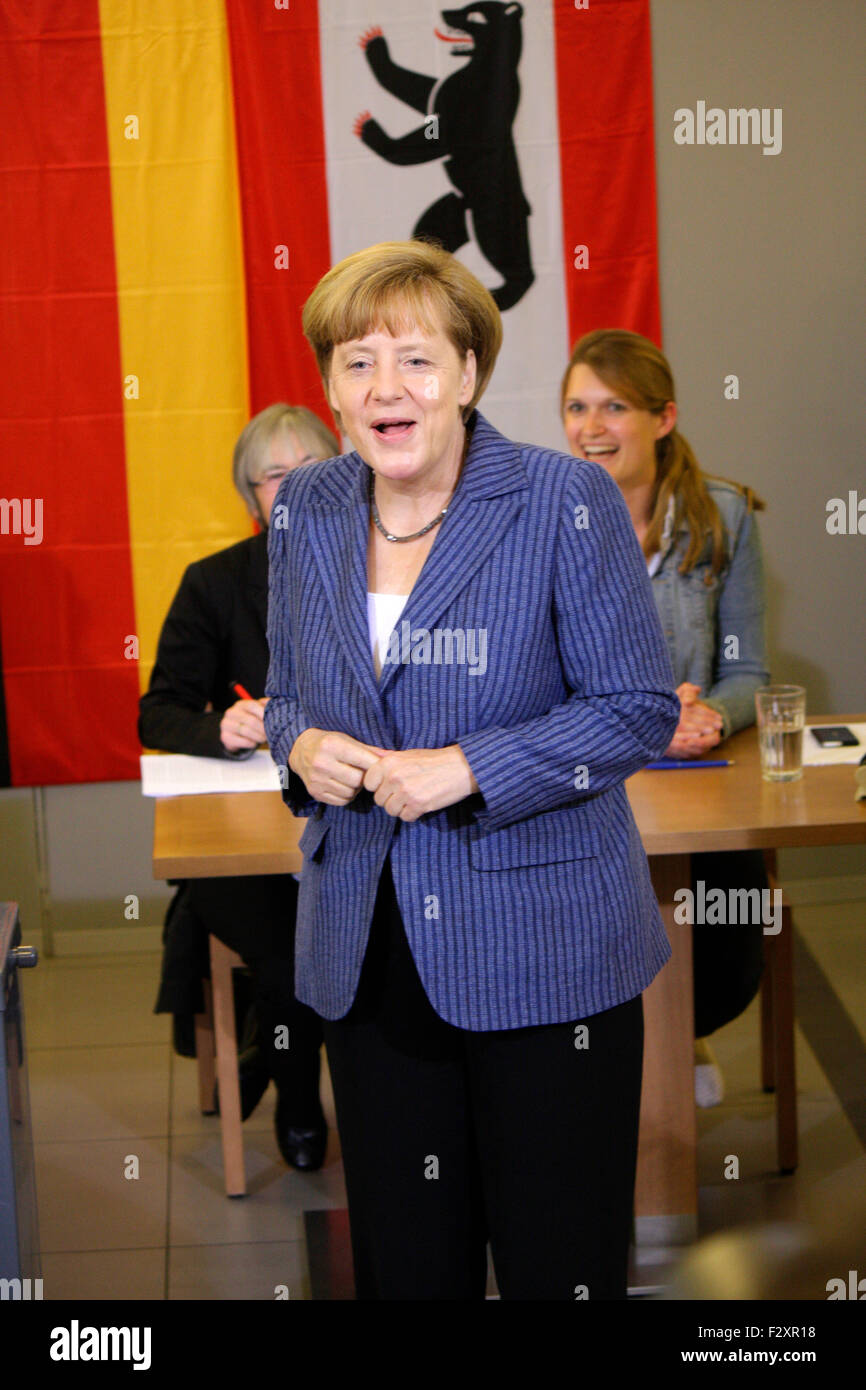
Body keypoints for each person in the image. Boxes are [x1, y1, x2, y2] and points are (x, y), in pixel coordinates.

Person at [264, 241, 680, 1299]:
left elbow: (632, 710)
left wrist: (470, 766)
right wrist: (298, 745)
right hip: (366, 943)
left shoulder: (560, 501)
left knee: (557, 1262)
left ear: (467, 373)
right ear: (328, 387)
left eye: (412, 358)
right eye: (356, 363)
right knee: (408, 1265)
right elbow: (287, 695)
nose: (384, 389)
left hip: (543, 949)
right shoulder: (306, 509)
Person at [561, 329, 771, 1106]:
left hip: (696, 779)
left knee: (728, 950)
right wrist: (642, 717)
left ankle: (683, 1028)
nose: (591, 427)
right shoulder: (549, 518)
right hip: (594, 779)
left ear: (663, 417)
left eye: (614, 406)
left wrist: (711, 716)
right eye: (577, 406)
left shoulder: (724, 517)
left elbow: (751, 673)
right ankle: (628, 1056)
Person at [140, 404, 339, 1169]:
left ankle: (365, 1091)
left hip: (348, 817)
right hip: (244, 839)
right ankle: (298, 1099)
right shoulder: (213, 583)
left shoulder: (387, 566)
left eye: (310, 471)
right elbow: (158, 711)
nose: (292, 490)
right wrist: (217, 727)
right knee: (297, 951)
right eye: (274, 478)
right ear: (250, 496)